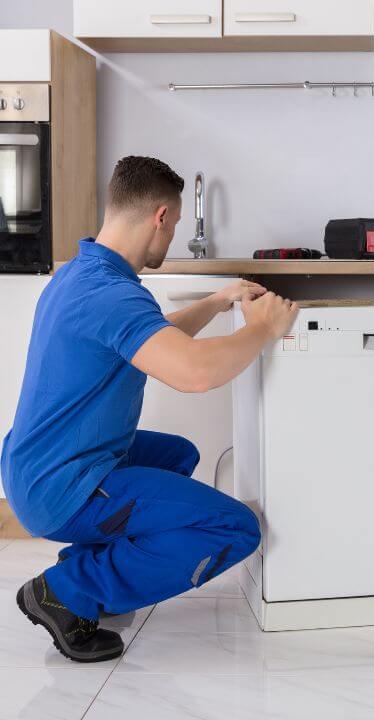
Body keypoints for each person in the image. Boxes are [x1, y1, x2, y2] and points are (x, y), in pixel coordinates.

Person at [1, 155, 298, 662]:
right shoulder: (111, 295)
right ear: (160, 216)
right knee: (232, 528)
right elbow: (194, 373)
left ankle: (98, 574)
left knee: (175, 456)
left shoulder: (84, 273)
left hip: (38, 468)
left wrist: (217, 299)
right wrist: (263, 328)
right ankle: (65, 591)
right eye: (176, 225)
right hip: (62, 487)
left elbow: (153, 339)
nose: (173, 237)